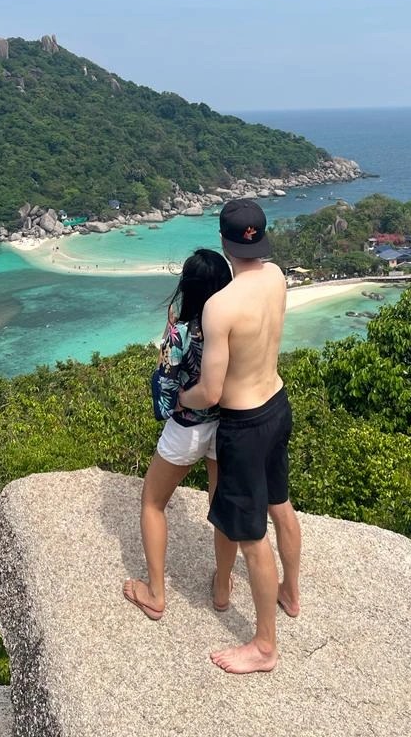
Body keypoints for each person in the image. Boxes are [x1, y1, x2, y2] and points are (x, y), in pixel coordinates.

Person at [179, 199, 301, 674]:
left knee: (251, 537)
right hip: (276, 403)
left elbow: (210, 392)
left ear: (223, 240)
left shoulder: (220, 306)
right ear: (261, 237)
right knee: (280, 504)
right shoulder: (277, 277)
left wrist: (180, 397)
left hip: (244, 424)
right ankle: (291, 592)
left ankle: (265, 646)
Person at [123, 248, 236, 621]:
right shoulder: (234, 326)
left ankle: (156, 593)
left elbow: (166, 385)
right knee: (220, 507)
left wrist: (170, 331)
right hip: (228, 425)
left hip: (188, 428)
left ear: (187, 285)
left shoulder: (180, 331)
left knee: (152, 502)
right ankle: (222, 588)